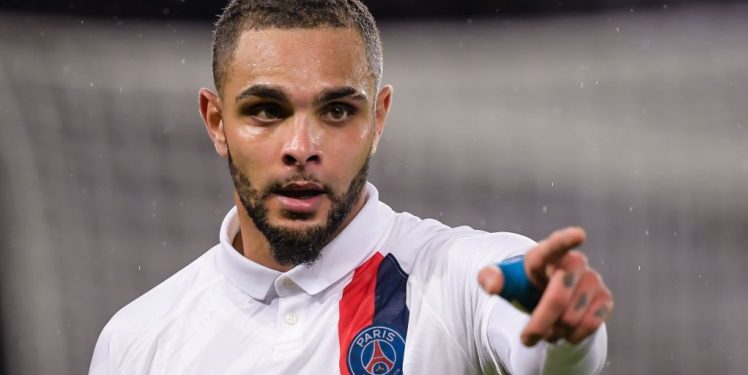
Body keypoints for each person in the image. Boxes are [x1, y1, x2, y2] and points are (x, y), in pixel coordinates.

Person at [89, 1, 613, 374]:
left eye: (337, 111)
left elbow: (534, 339)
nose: (301, 145)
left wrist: (566, 336)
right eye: (266, 111)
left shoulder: (450, 279)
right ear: (216, 120)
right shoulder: (136, 341)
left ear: (379, 118)